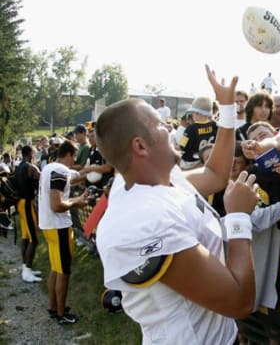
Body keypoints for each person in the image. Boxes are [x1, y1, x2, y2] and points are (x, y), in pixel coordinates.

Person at [95, 66, 258, 343]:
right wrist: (239, 218)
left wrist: (227, 110)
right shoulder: (144, 221)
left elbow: (214, 175)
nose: (170, 127)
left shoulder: (149, 178)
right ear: (141, 146)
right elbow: (239, 302)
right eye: (159, 125)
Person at [38, 140, 88, 325]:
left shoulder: (49, 168)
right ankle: (61, 314)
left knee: (55, 269)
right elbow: (57, 205)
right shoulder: (59, 170)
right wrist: (77, 202)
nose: (74, 160)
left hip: (49, 226)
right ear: (68, 154)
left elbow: (75, 178)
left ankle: (53, 307)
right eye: (74, 156)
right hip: (59, 226)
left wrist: (76, 196)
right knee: (64, 272)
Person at [15, 145, 42, 283]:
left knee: (25, 236)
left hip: (20, 203)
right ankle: (27, 270)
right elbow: (42, 181)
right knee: (34, 238)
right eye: (35, 152)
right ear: (31, 153)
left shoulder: (19, 166)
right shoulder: (31, 167)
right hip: (27, 203)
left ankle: (26, 267)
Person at [179, 96, 218, 170]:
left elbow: (183, 146)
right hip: (207, 159)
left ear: (197, 113)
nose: (192, 115)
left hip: (190, 161)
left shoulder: (191, 128)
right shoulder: (214, 125)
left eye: (193, 113)